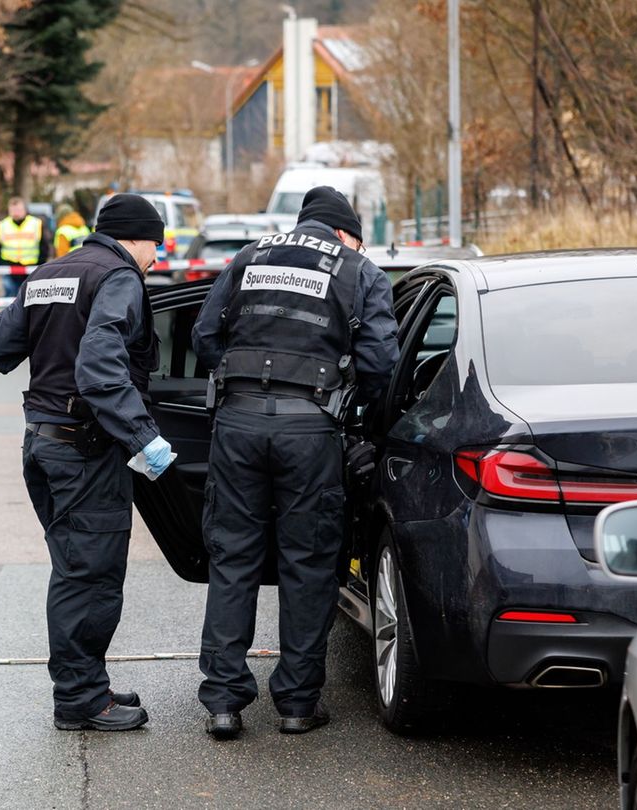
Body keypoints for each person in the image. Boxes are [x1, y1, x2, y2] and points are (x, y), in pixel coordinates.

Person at [190, 186, 399, 740]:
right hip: (310, 430)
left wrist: (236, 387)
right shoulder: (356, 269)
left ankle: (224, 703)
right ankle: (298, 705)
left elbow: (204, 335)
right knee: (307, 563)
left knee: (232, 557)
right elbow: (382, 361)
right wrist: (359, 411)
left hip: (236, 425)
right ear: (345, 232)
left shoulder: (249, 257)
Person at [0, 193, 175, 732]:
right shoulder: (118, 277)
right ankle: (81, 701)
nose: (157, 257)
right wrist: (142, 437)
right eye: (156, 244)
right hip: (85, 449)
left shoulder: (50, 271)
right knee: (90, 576)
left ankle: (85, 682)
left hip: (41, 444)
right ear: (135, 237)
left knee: (73, 567)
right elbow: (98, 365)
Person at [0, 197, 51, 299]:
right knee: (10, 301)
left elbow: (44, 246)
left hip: (31, 268)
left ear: (25, 210)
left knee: (30, 300)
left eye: (18, 210)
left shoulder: (36, 223)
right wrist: (1, 265)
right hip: (9, 269)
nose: (16, 212)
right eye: (13, 210)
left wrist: (39, 264)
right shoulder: (2, 225)